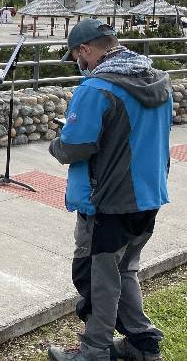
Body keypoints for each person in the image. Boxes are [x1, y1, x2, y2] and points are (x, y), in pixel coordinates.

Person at [48, 19, 172, 361]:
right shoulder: (160, 82)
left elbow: (76, 146)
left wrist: (56, 144)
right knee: (124, 270)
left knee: (95, 277)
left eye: (78, 57)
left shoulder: (95, 89)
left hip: (107, 202)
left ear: (85, 49)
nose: (80, 65)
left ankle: (95, 350)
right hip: (149, 196)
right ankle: (142, 344)